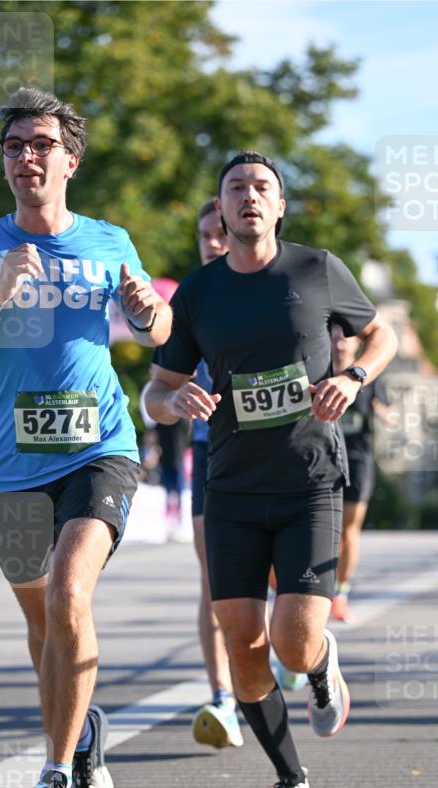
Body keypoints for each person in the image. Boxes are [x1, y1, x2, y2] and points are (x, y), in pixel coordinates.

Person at [0, 87, 172, 788]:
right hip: (9, 463)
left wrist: (145, 307)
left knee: (69, 594)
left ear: (70, 159)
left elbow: (158, 329)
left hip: (99, 447)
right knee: (45, 628)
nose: (25, 156)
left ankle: (55, 778)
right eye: (13, 146)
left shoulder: (109, 239)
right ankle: (82, 725)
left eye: (39, 144)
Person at [146, 151, 397, 788]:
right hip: (229, 487)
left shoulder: (315, 269)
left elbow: (382, 333)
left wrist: (354, 379)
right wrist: (175, 402)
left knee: (290, 640)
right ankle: (290, 783)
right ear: (220, 212)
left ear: (279, 205)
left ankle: (318, 665)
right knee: (243, 646)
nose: (249, 196)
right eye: (236, 188)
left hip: (308, 481)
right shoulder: (197, 294)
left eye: (262, 187)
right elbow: (155, 391)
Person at [186, 201, 243, 748]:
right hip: (210, 450)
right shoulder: (191, 298)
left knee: (266, 579)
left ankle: (293, 652)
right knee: (212, 582)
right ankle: (222, 698)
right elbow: (161, 382)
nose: (211, 242)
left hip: (270, 453)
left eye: (219, 233)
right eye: (204, 235)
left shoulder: (268, 289)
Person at [330, 330, 393, 623]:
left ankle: (340, 594)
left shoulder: (367, 376)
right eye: (335, 338)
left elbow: (389, 411)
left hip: (357, 460)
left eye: (346, 338)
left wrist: (383, 413)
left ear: (356, 344)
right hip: (323, 457)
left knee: (349, 530)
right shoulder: (317, 371)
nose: (340, 343)